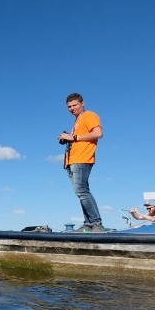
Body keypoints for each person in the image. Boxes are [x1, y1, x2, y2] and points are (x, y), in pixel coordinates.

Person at [58, 93, 104, 233]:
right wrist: (67, 139)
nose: (72, 108)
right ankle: (88, 225)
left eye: (75, 105)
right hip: (72, 160)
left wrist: (74, 137)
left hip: (82, 159)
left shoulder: (89, 115)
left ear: (82, 103)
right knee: (81, 193)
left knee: (82, 191)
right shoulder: (77, 121)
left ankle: (96, 224)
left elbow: (98, 133)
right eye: (69, 107)